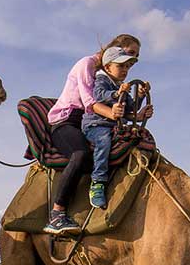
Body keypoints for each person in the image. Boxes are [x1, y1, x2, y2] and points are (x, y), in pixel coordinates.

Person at [44, 34, 141, 234]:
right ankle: (57, 213)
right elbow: (90, 103)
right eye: (129, 54)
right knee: (80, 154)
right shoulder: (86, 64)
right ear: (116, 49)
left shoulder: (110, 77)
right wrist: (114, 115)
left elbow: (118, 107)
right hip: (67, 120)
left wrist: (136, 112)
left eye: (135, 57)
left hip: (90, 122)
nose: (131, 62)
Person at [85, 45, 153, 209]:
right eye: (120, 66)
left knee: (140, 137)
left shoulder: (121, 85)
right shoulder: (102, 80)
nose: (125, 70)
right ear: (108, 67)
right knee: (104, 141)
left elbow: (131, 108)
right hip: (97, 125)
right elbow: (98, 95)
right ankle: (98, 182)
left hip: (115, 126)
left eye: (127, 66)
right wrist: (116, 94)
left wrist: (141, 95)